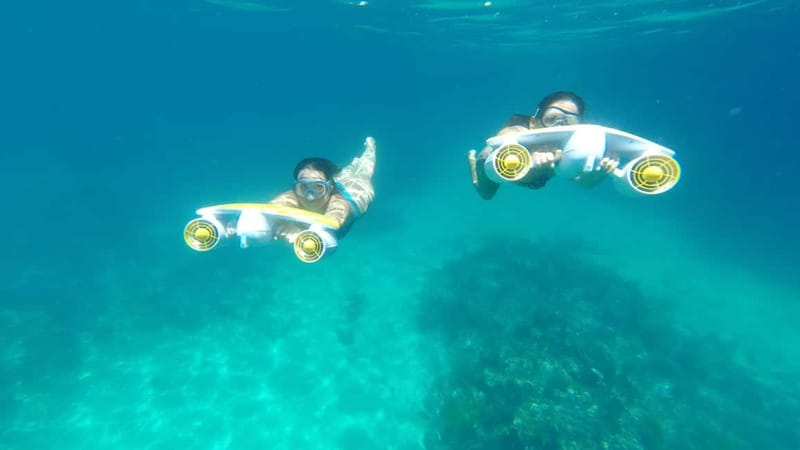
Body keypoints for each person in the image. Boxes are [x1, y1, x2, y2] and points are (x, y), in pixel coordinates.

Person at [467, 91, 618, 200]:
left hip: (540, 177)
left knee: (539, 180)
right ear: (534, 122)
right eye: (552, 119)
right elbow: (507, 135)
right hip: (503, 165)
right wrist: (529, 161)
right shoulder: (519, 131)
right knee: (487, 193)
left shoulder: (574, 144)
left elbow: (583, 183)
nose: (559, 126)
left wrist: (598, 174)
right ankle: (474, 162)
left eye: (570, 121)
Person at [268, 137, 376, 242]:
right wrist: (281, 223)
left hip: (352, 192)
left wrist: (307, 231)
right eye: (304, 186)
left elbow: (336, 214)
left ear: (330, 189)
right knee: (344, 173)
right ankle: (346, 169)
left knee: (363, 173)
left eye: (318, 187)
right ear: (296, 187)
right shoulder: (294, 196)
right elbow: (274, 206)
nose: (310, 196)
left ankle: (370, 149)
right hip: (331, 183)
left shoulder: (339, 202)